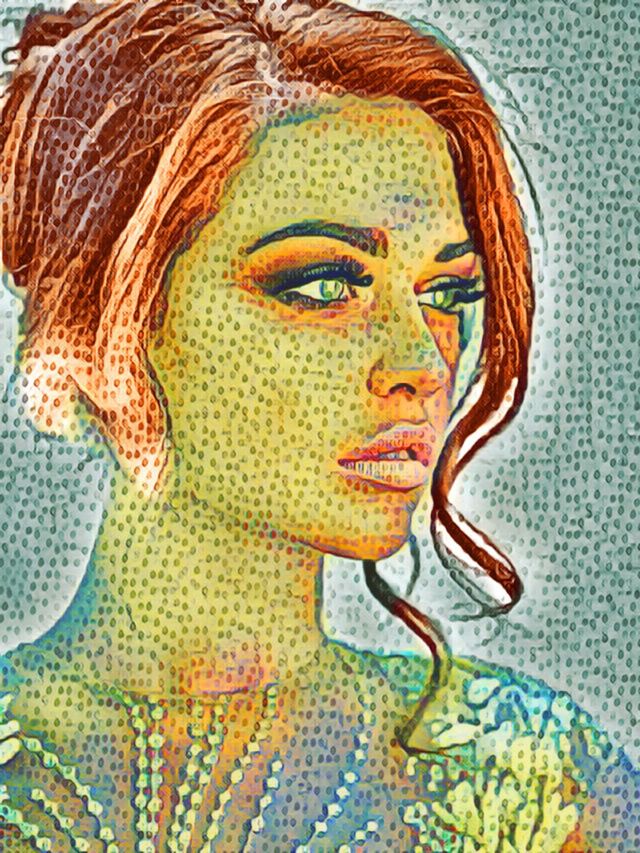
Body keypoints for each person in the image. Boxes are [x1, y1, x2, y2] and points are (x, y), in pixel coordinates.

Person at [0, 0, 637, 850]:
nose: (423, 362)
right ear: (111, 319)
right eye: (324, 286)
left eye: (447, 293)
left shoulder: (537, 782)